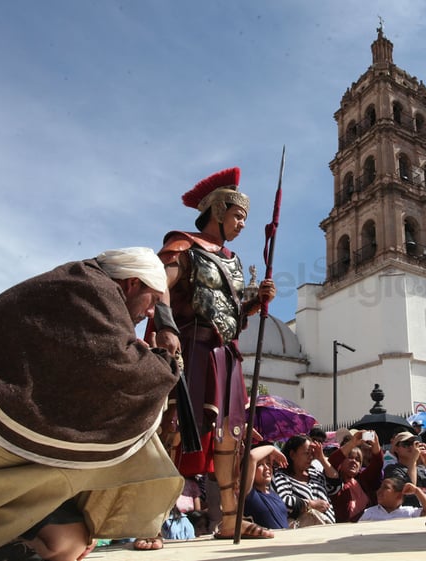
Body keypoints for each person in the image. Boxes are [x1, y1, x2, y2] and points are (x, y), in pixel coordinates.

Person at [0, 248, 184, 560]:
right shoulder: (90, 290)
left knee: (70, 538)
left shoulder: (85, 288)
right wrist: (166, 364)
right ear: (131, 284)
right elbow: (124, 372)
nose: (151, 312)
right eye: (151, 301)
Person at [150, 167, 277, 542]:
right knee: (175, 430)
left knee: (230, 439)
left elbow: (228, 311)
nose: (242, 224)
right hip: (191, 346)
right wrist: (166, 327)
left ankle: (230, 520)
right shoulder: (182, 245)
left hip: (226, 354)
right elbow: (160, 284)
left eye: (245, 218)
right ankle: (154, 521)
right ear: (218, 210)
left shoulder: (234, 261)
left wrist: (254, 302)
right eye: (238, 215)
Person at [272, 435, 341, 527]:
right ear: (292, 454)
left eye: (312, 454)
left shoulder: (315, 473)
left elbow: (335, 487)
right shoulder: (281, 476)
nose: (310, 457)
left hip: (329, 528)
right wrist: (311, 504)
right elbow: (284, 501)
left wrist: (322, 458)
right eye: (307, 453)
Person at [328, 429, 384, 522]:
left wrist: (376, 444)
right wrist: (353, 443)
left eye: (358, 459)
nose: (354, 461)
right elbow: (333, 461)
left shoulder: (363, 480)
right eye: (350, 457)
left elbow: (377, 464)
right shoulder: (333, 481)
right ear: (341, 461)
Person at [384, 432, 426, 508]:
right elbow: (409, 490)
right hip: (410, 515)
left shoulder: (422, 469)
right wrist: (413, 460)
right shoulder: (392, 469)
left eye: (413, 443)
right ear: (396, 449)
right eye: (405, 444)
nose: (411, 447)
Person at [243, 443, 289, 530]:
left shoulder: (274, 494)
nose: (267, 468)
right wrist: (272, 448)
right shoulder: (248, 493)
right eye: (260, 464)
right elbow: (251, 456)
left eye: (268, 463)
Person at [358, 476, 426, 521]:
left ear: (399, 495)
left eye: (385, 487)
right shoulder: (369, 512)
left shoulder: (409, 513)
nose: (379, 491)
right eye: (380, 487)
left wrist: (417, 491)